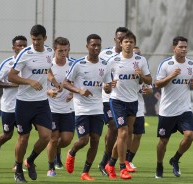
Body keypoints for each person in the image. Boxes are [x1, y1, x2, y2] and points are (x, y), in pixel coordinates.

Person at [8, 24, 59, 182]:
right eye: (33, 39)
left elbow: (47, 69)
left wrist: (54, 81)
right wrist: (29, 81)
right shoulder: (25, 53)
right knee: (23, 138)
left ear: (45, 38)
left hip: (42, 102)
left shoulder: (50, 52)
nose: (35, 42)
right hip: (24, 103)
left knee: (46, 136)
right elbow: (11, 76)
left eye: (38, 39)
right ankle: (18, 170)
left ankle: (29, 161)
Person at [104, 31, 152, 180]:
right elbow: (105, 86)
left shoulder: (141, 61)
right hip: (117, 100)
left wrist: (141, 76)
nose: (129, 44)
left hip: (133, 101)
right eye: (126, 42)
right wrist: (108, 86)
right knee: (123, 133)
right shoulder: (113, 61)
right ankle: (122, 167)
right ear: (121, 43)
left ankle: (110, 163)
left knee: (125, 135)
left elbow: (149, 80)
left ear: (134, 44)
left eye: (131, 42)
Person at [64, 34, 112, 181]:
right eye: (93, 45)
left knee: (95, 140)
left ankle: (85, 172)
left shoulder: (105, 65)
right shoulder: (79, 64)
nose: (96, 47)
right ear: (87, 46)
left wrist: (107, 87)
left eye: (99, 45)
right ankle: (71, 152)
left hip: (97, 108)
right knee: (84, 140)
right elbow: (65, 83)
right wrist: (79, 91)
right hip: (82, 109)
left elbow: (108, 89)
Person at [154, 36, 193, 178]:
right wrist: (171, 76)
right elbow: (157, 84)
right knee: (163, 141)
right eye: (181, 47)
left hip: (184, 109)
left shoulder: (191, 64)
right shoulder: (166, 64)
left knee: (190, 135)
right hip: (167, 110)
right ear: (174, 48)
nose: (184, 49)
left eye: (185, 47)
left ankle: (175, 159)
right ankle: (159, 165)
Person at [0, 35, 27, 167]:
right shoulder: (7, 63)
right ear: (14, 48)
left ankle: (17, 164)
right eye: (19, 45)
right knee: (7, 135)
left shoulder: (29, 63)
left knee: (23, 136)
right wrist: (13, 85)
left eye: (24, 45)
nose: (22, 48)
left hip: (25, 106)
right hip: (9, 106)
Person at [97, 27, 129, 176]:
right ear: (115, 39)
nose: (121, 40)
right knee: (113, 127)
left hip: (125, 99)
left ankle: (111, 161)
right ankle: (105, 161)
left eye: (124, 38)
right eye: (119, 38)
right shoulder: (105, 54)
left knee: (125, 131)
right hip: (107, 98)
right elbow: (96, 72)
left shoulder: (131, 56)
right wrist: (104, 84)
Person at [46, 37, 76, 177]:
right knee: (53, 138)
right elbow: (38, 85)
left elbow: (78, 84)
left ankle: (55, 150)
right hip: (50, 108)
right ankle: (51, 167)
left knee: (66, 139)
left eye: (66, 50)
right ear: (54, 50)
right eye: (60, 50)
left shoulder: (73, 65)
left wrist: (73, 94)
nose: (63, 53)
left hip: (68, 108)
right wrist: (48, 92)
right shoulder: (48, 65)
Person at [125, 46, 153, 170]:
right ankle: (117, 159)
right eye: (134, 53)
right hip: (125, 104)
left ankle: (129, 160)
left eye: (138, 54)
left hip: (139, 106)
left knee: (137, 135)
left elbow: (150, 87)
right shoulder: (123, 66)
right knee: (124, 133)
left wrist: (148, 89)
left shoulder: (143, 68)